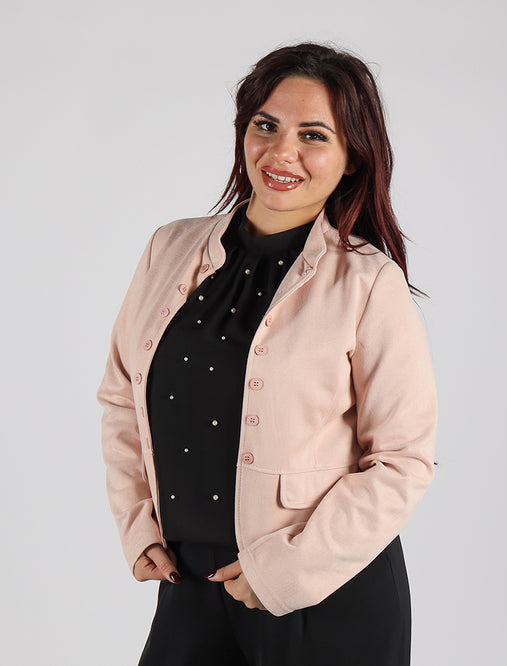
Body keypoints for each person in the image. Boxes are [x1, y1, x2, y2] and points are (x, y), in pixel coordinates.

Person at [97, 41, 438, 666]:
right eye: (266, 126)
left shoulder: (368, 283)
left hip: (324, 596)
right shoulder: (168, 249)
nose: (282, 153)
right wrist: (137, 522)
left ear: (352, 159)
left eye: (313, 135)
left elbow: (402, 460)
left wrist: (283, 573)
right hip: (190, 585)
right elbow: (122, 398)